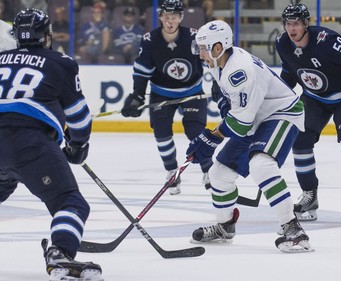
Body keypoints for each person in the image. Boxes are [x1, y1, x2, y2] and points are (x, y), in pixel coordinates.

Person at [186, 19, 313, 253]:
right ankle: (225, 227)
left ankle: (293, 230)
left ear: (217, 47)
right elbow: (233, 104)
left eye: (203, 48)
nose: (199, 53)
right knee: (218, 174)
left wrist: (210, 138)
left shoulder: (239, 70)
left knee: (261, 165)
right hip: (256, 118)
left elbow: (241, 123)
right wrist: (225, 104)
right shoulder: (219, 61)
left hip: (281, 113)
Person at [0, 8, 103, 280]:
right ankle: (60, 252)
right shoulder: (61, 62)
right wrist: (78, 146)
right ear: (47, 36)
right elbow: (79, 115)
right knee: (70, 202)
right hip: (29, 143)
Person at [275, 3, 341, 221]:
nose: (292, 29)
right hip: (314, 96)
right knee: (300, 140)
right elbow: (289, 74)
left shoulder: (326, 41)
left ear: (306, 24)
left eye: (297, 23)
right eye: (288, 24)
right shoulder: (283, 43)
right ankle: (310, 196)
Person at [121, 0, 212, 195]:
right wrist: (137, 95)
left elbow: (211, 62)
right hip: (161, 93)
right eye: (167, 17)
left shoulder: (194, 37)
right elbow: (142, 71)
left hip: (192, 92)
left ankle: (208, 170)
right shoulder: (150, 40)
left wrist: (220, 84)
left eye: (174, 17)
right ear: (160, 17)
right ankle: (172, 172)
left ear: (181, 18)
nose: (170, 21)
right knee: (161, 133)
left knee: (195, 131)